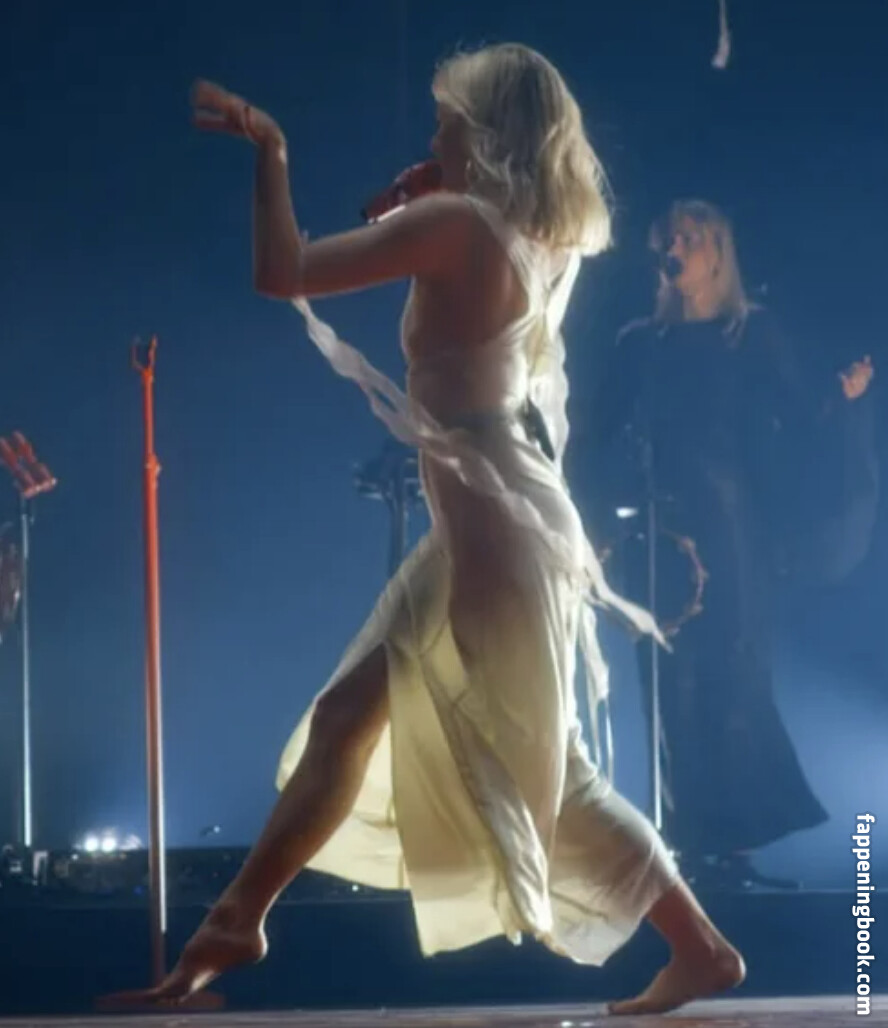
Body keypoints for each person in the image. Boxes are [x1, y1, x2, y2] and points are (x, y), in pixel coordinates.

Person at [119, 48, 745, 1014]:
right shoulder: (537, 231)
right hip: (491, 511)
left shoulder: (459, 223)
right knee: (350, 719)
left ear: (484, 136)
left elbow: (283, 272)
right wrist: (429, 191)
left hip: (493, 523)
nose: (432, 136)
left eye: (446, 123)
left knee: (549, 769)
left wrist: (272, 151)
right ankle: (236, 923)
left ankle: (701, 947)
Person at [589, 199, 876, 889]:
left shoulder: (751, 334)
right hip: (657, 533)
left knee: (733, 678)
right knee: (670, 687)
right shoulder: (640, 343)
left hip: (731, 531)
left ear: (718, 254)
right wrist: (595, 526)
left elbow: (801, 414)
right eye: (670, 238)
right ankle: (686, 848)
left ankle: (735, 848)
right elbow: (596, 433)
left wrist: (843, 400)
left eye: (692, 238)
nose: (678, 247)